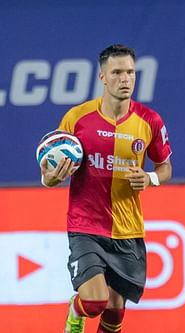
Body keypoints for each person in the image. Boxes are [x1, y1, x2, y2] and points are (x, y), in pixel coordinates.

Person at [39, 44, 173, 333]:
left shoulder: (149, 121)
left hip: (128, 230)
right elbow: (50, 166)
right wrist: (48, 179)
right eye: (117, 72)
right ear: (102, 77)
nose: (125, 79)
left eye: (130, 73)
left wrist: (150, 179)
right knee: (96, 301)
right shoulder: (77, 118)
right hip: (85, 226)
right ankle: (75, 311)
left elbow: (165, 167)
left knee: (114, 313)